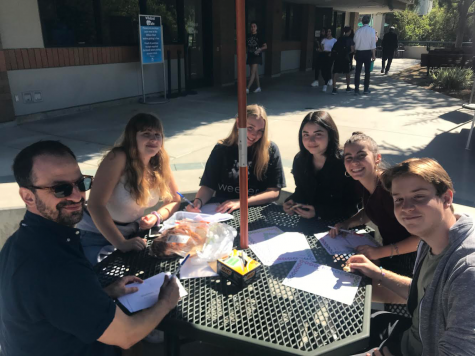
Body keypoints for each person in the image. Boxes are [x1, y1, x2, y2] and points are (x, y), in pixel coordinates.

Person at [0, 140, 180, 356]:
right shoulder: (54, 265)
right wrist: (166, 303)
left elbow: (54, 304)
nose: (77, 196)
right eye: (61, 189)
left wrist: (105, 293)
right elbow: (126, 335)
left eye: (81, 183)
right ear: (28, 197)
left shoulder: (20, 242)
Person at [348, 158, 475, 356]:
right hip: (404, 338)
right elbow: (426, 295)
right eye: (399, 199)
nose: (406, 207)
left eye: (419, 197)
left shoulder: (467, 270)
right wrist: (378, 273)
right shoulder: (429, 238)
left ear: (446, 198)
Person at [77, 113, 181, 265]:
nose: (153, 139)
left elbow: (174, 199)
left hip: (132, 234)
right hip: (96, 235)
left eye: (158, 135)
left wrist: (156, 217)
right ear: (133, 137)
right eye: (146, 134)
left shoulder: (159, 162)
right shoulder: (118, 157)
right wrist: (121, 243)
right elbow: (95, 205)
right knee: (112, 281)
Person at [330, 132, 419, 277]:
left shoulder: (392, 188)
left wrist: (379, 252)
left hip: (414, 259)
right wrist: (347, 223)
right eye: (349, 158)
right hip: (390, 251)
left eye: (361, 156)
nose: (354, 162)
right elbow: (371, 209)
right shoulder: (361, 184)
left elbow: (421, 238)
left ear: (377, 158)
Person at [186, 104, 285, 214]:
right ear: (238, 123)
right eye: (250, 128)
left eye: (260, 131)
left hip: (256, 211)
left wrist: (241, 202)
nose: (254, 135)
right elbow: (208, 186)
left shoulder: (270, 150)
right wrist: (198, 202)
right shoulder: (222, 149)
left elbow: (274, 192)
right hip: (222, 211)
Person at [283, 111, 359, 220]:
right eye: (306, 135)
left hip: (341, 227)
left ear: (330, 135)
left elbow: (352, 206)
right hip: (309, 223)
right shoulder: (300, 160)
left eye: (318, 134)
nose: (311, 140)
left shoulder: (345, 162)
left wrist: (319, 212)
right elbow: (302, 190)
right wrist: (292, 201)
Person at [353, 15, 376, 95]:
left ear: (362, 21)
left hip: (359, 52)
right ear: (369, 21)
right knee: (367, 72)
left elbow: (355, 42)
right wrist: (373, 55)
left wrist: (355, 53)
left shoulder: (358, 31)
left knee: (357, 72)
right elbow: (373, 44)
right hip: (367, 53)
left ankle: (356, 89)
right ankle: (366, 89)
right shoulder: (372, 30)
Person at [331, 26, 355, 95]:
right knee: (347, 72)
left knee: (335, 72)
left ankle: (334, 88)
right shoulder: (350, 39)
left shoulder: (339, 38)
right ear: (349, 31)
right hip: (345, 57)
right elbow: (352, 49)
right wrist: (347, 53)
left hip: (338, 57)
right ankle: (348, 87)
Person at [246, 22, 267, 94]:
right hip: (250, 55)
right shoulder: (248, 35)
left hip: (256, 56)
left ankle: (247, 88)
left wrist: (259, 49)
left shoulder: (259, 36)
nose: (253, 28)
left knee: (252, 72)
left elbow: (265, 46)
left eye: (254, 26)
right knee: (255, 72)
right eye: (251, 26)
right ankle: (258, 87)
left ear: (256, 28)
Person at [320, 28, 337, 93]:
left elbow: (336, 49)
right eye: (327, 32)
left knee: (328, 69)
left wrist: (332, 53)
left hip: (330, 55)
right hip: (324, 54)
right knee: (322, 70)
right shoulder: (324, 40)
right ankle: (328, 79)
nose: (328, 33)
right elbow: (322, 48)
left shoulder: (334, 40)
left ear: (331, 32)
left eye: (329, 31)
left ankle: (325, 84)